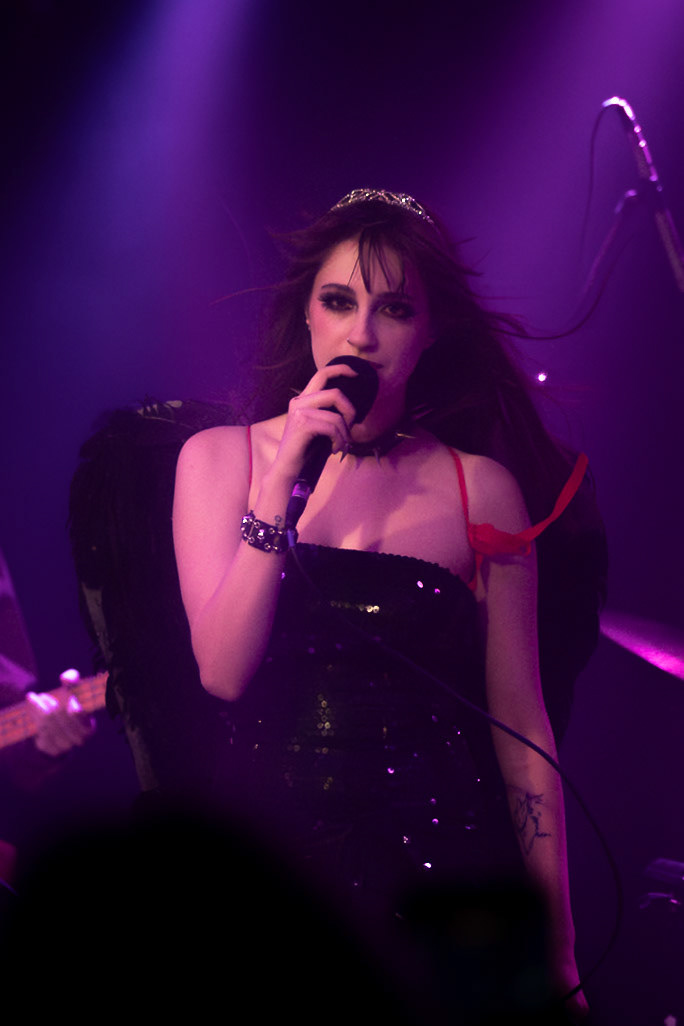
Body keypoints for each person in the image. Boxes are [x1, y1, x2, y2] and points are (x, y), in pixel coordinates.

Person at [172, 188, 605, 1020]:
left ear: (430, 330)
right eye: (339, 302)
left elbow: (522, 735)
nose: (361, 335)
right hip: (264, 868)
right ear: (306, 313)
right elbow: (221, 672)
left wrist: (557, 947)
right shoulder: (220, 460)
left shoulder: (479, 487)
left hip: (434, 868)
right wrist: (277, 483)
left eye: (395, 309)